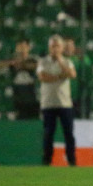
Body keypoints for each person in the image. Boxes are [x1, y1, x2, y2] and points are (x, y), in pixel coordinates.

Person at [37, 34, 77, 166]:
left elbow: (71, 74)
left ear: (62, 48)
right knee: (48, 134)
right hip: (48, 103)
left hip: (64, 103)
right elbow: (42, 77)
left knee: (69, 134)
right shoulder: (43, 61)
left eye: (57, 46)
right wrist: (60, 76)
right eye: (52, 46)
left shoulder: (67, 61)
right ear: (49, 48)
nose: (55, 49)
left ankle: (72, 160)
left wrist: (60, 62)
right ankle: (47, 161)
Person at [0, 38, 38, 119]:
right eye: (19, 47)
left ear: (28, 48)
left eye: (24, 47)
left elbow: (36, 65)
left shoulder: (33, 58)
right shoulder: (11, 59)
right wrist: (12, 63)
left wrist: (22, 63)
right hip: (16, 90)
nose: (21, 50)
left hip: (31, 89)